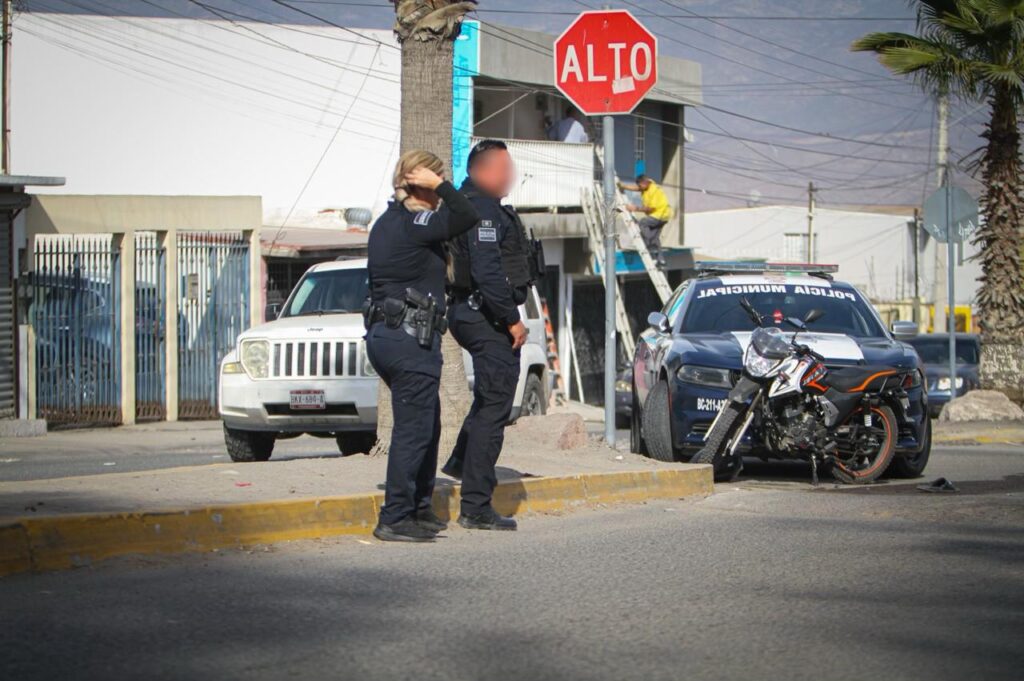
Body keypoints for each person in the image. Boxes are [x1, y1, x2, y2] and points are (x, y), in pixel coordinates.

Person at [364, 149, 479, 543]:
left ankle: (417, 508)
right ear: (422, 183)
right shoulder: (416, 220)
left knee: (425, 423)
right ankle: (394, 517)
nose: (442, 190)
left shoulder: (387, 222)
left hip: (390, 336)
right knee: (413, 431)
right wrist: (441, 186)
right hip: (408, 339)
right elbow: (466, 216)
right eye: (437, 180)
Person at [442, 139, 540, 531]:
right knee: (495, 407)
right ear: (481, 170)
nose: (509, 176)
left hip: (473, 311)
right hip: (483, 314)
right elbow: (486, 273)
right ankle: (476, 506)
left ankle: (461, 464)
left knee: (488, 399)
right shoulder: (480, 210)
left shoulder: (472, 204)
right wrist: (511, 320)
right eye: (503, 168)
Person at [620, 175, 673, 269]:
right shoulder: (647, 185)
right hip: (663, 215)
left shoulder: (654, 190)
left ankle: (651, 244)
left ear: (644, 183)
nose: (639, 188)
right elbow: (637, 188)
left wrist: (635, 208)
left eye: (640, 186)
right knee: (655, 237)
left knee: (643, 223)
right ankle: (662, 261)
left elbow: (650, 208)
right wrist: (624, 186)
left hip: (660, 215)